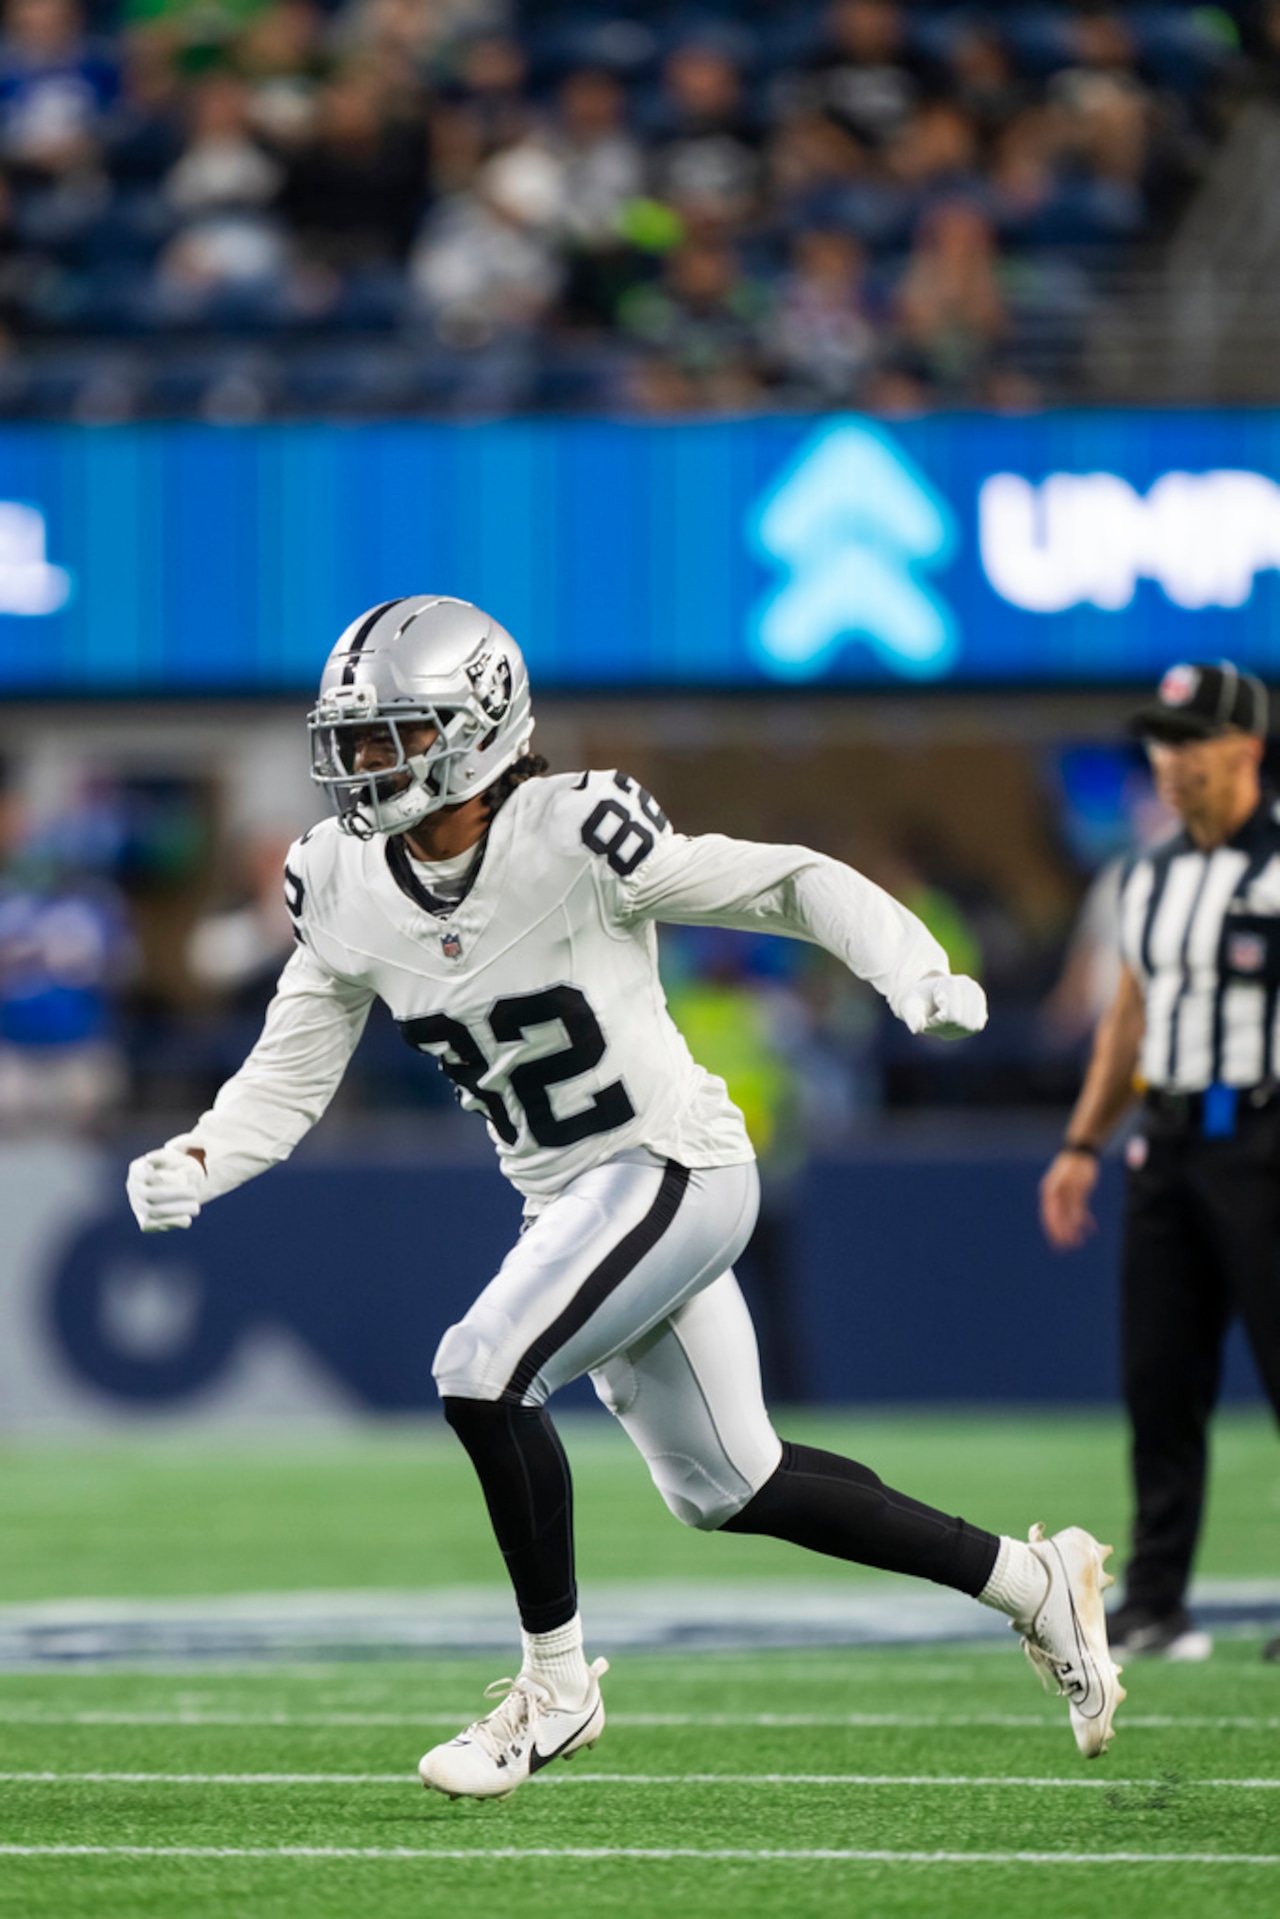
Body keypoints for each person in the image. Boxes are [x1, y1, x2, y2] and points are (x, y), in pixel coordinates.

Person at [127, 596, 1123, 1798]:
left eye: (394, 733)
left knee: (479, 1367)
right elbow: (292, 1071)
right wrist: (201, 1154)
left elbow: (786, 881)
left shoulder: (573, 832)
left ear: (477, 731)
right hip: (569, 1199)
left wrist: (912, 968)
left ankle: (553, 1690)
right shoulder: (336, 878)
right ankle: (1035, 1583)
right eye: (353, 735)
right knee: (730, 1485)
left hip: (673, 1163)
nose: (362, 762)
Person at [1040, 660, 1280, 1664]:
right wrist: (1080, 1141)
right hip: (1165, 1142)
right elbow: (1125, 1019)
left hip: (1267, 1137)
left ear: (1244, 745)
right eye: (1160, 740)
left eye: (1189, 740)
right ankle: (1155, 1598)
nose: (1168, 760)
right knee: (1157, 1378)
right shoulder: (1141, 873)